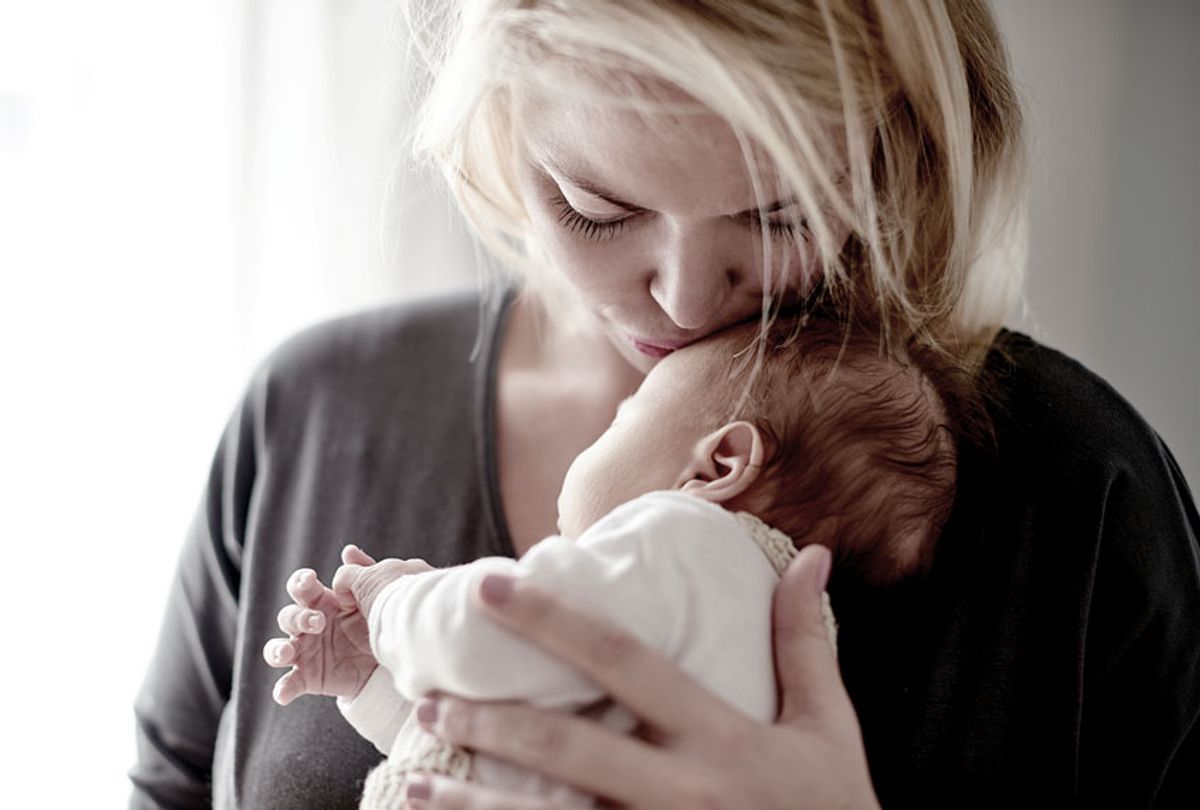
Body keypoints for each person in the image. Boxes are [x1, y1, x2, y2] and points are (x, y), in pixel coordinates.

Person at [129, 1, 1200, 808]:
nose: (685, 301)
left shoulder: (1073, 489)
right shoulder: (312, 409)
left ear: (892, 157)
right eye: (596, 209)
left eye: (779, 217)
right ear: (500, 132)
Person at [260, 316, 958, 808]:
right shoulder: (759, 635)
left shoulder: (688, 539)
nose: (603, 432)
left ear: (719, 464)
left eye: (627, 418)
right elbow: (488, 744)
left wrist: (393, 602)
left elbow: (484, 637)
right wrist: (374, 687)